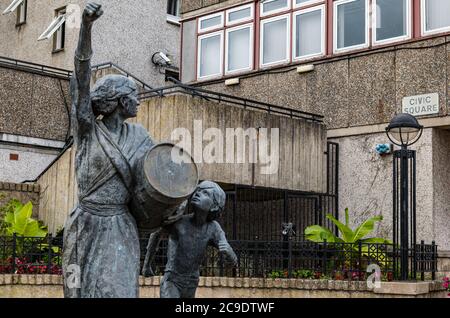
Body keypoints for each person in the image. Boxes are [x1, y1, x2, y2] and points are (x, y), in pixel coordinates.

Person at [62, 3, 155, 298]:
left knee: (120, 291)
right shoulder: (88, 130)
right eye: (133, 95)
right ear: (117, 101)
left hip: (121, 226)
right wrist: (86, 27)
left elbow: (156, 176)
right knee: (81, 291)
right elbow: (80, 76)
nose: (138, 101)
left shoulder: (141, 137)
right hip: (86, 225)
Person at [142, 181, 238, 298]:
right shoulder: (179, 223)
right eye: (198, 191)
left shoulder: (214, 228)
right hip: (172, 281)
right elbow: (156, 234)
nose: (197, 194)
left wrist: (230, 253)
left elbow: (232, 263)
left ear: (214, 206)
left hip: (192, 282)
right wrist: (147, 265)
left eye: (205, 193)